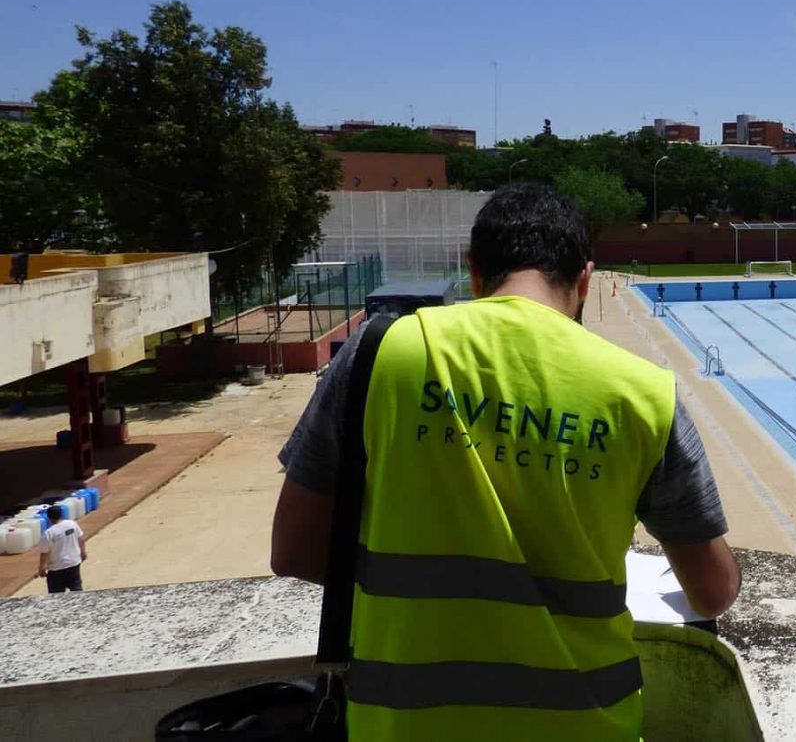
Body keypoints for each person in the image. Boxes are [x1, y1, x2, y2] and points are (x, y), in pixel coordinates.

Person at [271, 183, 739, 740]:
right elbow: (712, 591)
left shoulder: (379, 353)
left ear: (473, 271)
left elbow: (294, 551)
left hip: (402, 722)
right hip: (587, 726)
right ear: (585, 279)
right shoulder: (643, 393)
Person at [36, 503, 86, 593]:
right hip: (73, 563)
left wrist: (42, 569)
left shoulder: (49, 533)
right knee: (76, 589)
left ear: (49, 518)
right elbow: (81, 540)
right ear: (61, 514)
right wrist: (83, 553)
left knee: (56, 595)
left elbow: (44, 552)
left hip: (57, 568)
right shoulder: (72, 524)